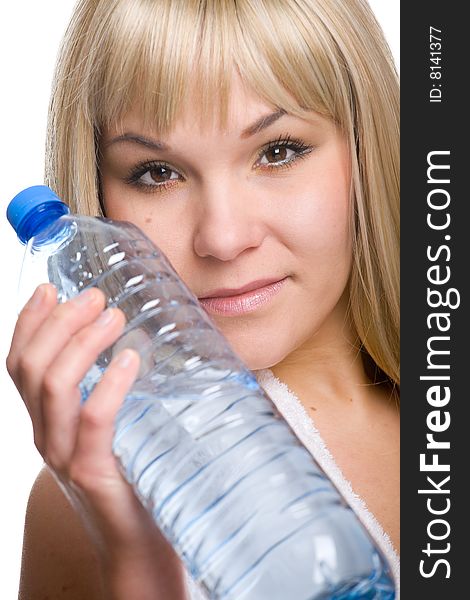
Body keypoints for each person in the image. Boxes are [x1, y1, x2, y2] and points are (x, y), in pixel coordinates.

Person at [6, 0, 400, 598]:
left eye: (278, 152)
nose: (222, 237)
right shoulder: (106, 499)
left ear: (369, 149)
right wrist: (137, 565)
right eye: (157, 172)